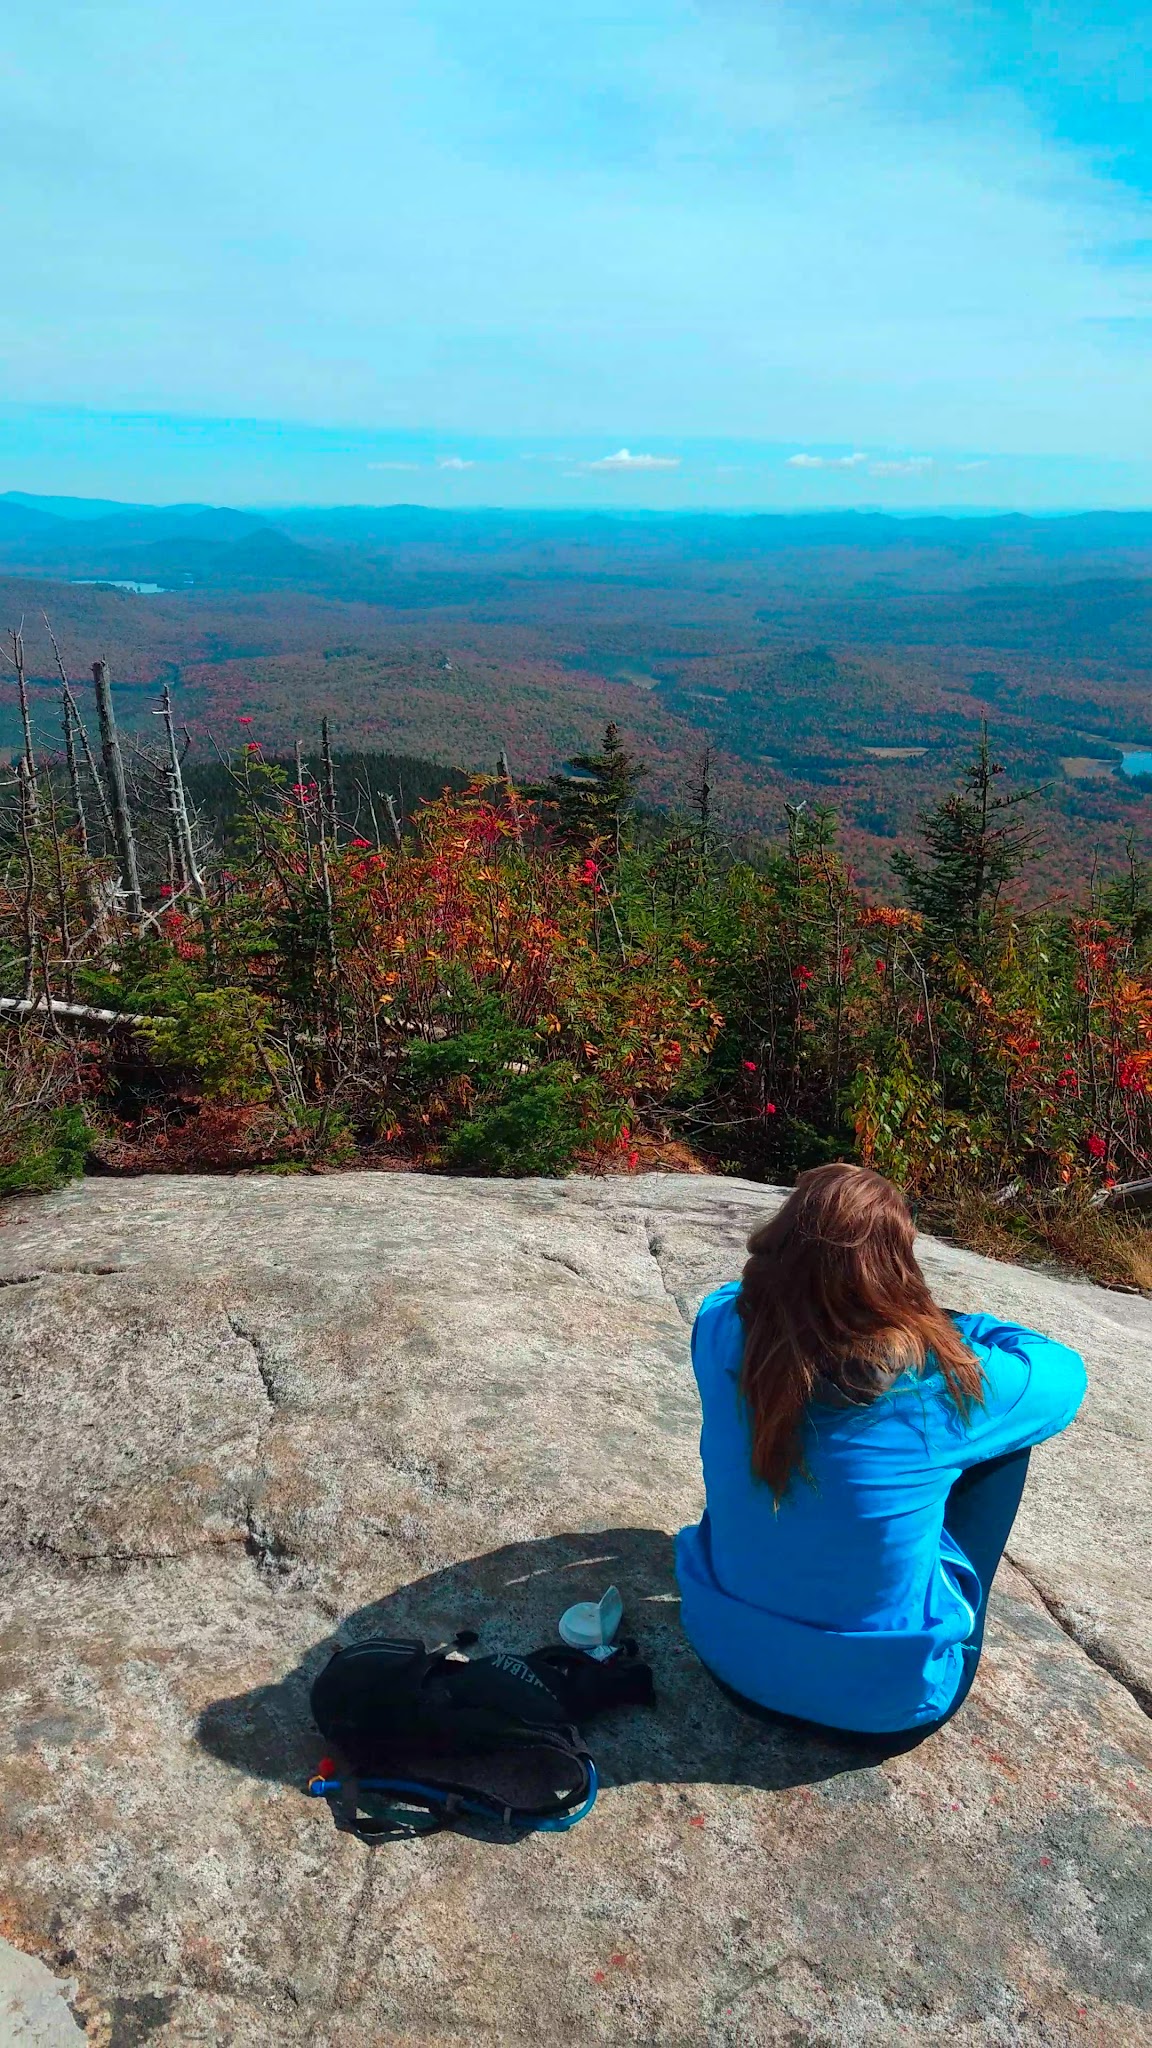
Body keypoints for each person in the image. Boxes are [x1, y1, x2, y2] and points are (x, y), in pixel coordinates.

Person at [675, 1162, 1087, 1744]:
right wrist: (942, 1323)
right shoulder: (941, 1383)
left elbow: (732, 1294)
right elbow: (1063, 1377)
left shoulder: (721, 1328)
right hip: (886, 1708)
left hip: (726, 1658)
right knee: (1003, 1445)